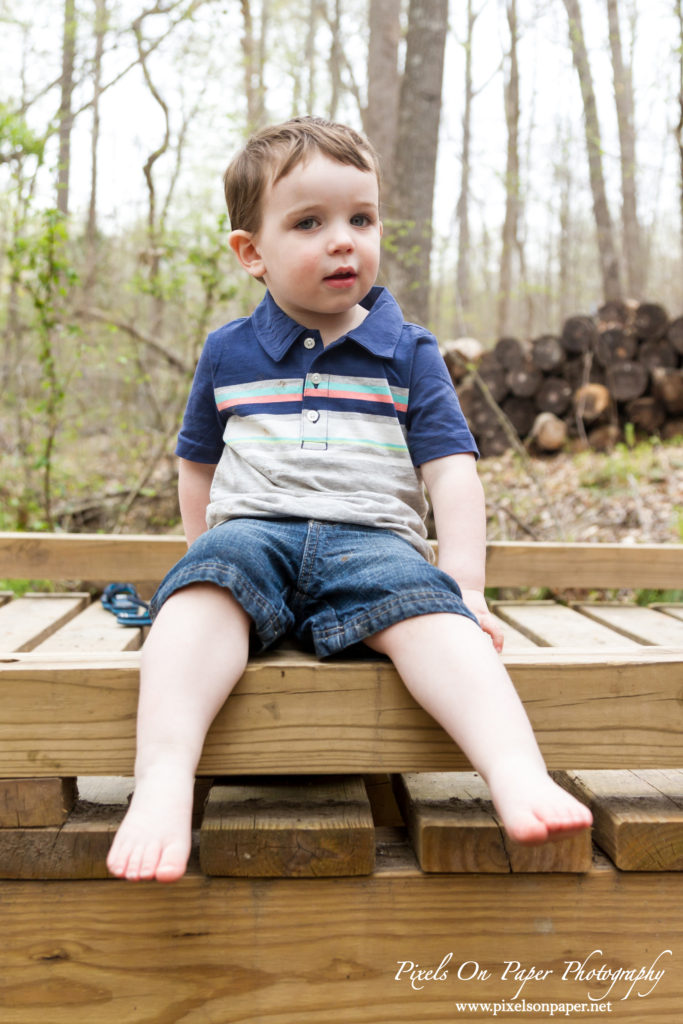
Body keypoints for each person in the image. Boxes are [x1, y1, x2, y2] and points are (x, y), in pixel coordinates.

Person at [107, 116, 592, 883]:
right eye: (310, 222)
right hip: (254, 532)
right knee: (194, 602)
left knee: (439, 622)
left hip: (374, 540)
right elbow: (196, 462)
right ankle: (164, 779)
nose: (344, 240)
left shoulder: (406, 349)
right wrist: (200, 552)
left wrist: (464, 585)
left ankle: (512, 768)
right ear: (251, 253)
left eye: (360, 219)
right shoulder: (227, 350)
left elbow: (451, 471)